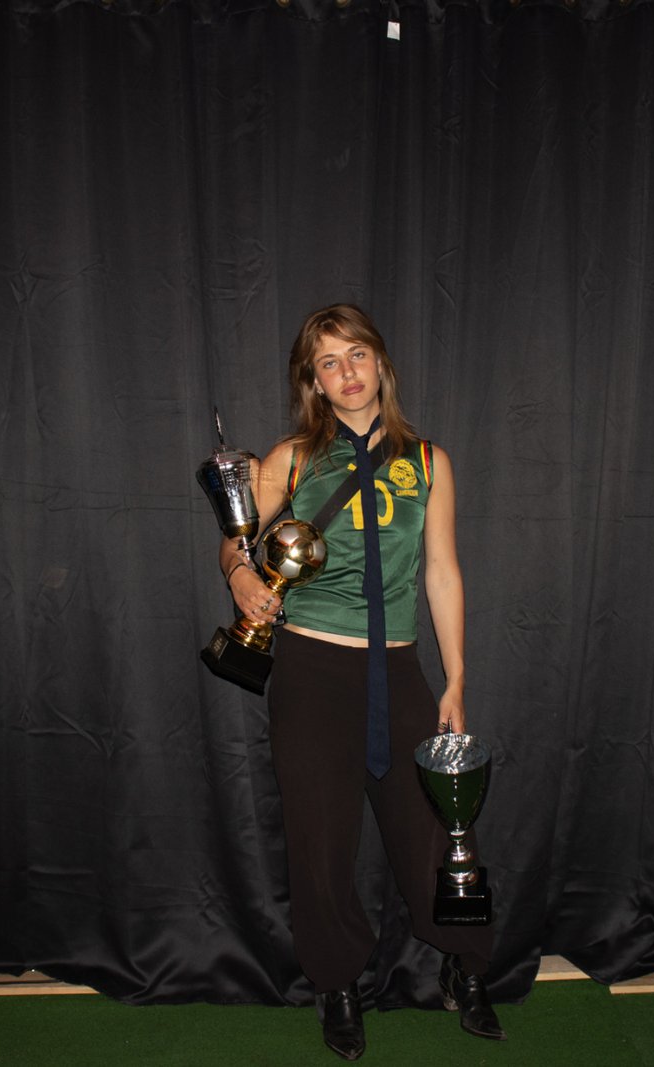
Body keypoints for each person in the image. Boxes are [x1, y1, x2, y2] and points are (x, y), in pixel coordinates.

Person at [216, 304, 503, 1060]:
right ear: (313, 381)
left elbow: (442, 571)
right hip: (311, 670)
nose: (346, 372)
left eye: (357, 355)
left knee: (436, 832)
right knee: (320, 839)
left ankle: (465, 965)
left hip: (398, 669)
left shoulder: (430, 461)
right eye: (328, 362)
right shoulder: (292, 458)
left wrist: (456, 678)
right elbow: (235, 539)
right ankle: (337, 984)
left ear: (380, 363)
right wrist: (241, 577)